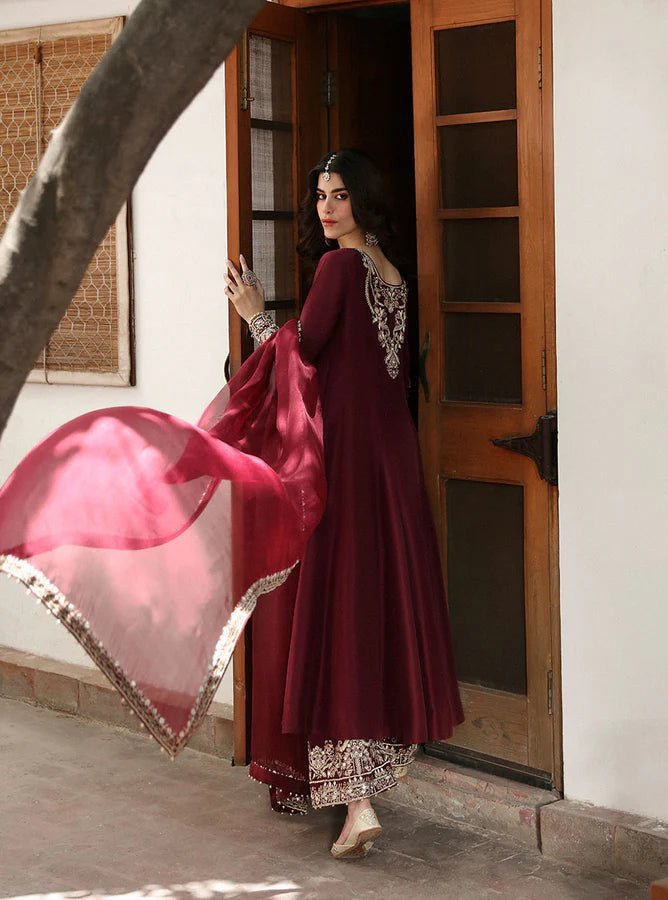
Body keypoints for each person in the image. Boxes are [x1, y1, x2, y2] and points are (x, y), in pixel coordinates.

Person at [224, 149, 463, 859]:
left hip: (348, 468)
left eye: (340, 195)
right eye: (321, 195)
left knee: (334, 614)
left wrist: (256, 317)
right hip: (391, 464)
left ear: (365, 199)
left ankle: (355, 800)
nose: (326, 208)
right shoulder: (392, 273)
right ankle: (359, 785)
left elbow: (303, 360)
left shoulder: (340, 268)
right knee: (368, 609)